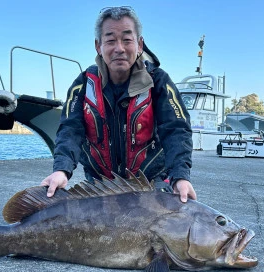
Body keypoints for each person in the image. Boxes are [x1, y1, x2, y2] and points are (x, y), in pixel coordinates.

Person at [41, 6, 196, 203]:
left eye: (127, 40)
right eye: (111, 40)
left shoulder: (159, 81)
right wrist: (61, 170)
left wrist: (180, 176)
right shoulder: (83, 83)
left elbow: (176, 129)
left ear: (140, 44)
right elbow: (70, 129)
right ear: (98, 46)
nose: (119, 48)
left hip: (150, 182)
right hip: (100, 184)